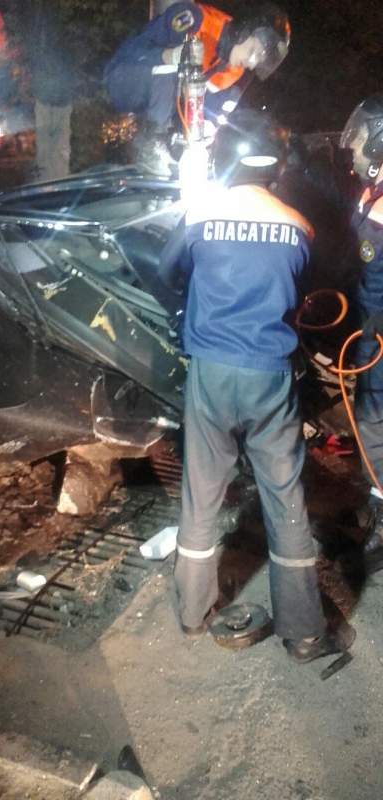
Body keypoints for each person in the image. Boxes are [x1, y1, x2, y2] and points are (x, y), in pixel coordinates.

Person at [158, 108, 351, 664]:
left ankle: (193, 614)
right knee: (285, 499)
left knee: (201, 493)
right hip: (270, 376)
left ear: (223, 158)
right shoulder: (297, 225)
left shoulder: (199, 215)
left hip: (212, 373)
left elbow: (168, 274)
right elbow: (311, 286)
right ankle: (305, 634)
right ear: (279, 164)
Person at [104, 1, 290, 174]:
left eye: (258, 61)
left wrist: (206, 129)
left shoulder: (233, 71)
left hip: (157, 103)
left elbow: (202, 104)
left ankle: (168, 145)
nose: (251, 64)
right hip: (124, 78)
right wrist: (172, 56)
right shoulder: (193, 18)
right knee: (177, 67)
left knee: (218, 104)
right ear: (244, 30)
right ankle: (151, 147)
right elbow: (134, 52)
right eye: (254, 52)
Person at [338, 94, 383, 574]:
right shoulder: (373, 192)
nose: (354, 147)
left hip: (382, 329)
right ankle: (376, 498)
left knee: (375, 420)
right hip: (372, 323)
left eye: (362, 139)